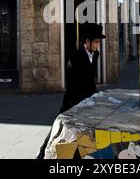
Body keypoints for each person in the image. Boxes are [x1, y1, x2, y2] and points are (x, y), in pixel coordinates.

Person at [36, 23, 106, 159]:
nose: (98, 45)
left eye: (99, 42)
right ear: (87, 42)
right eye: (96, 42)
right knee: (57, 129)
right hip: (72, 101)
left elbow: (90, 80)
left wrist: (95, 96)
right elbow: (76, 84)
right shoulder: (75, 59)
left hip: (85, 101)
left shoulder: (94, 54)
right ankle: (41, 154)